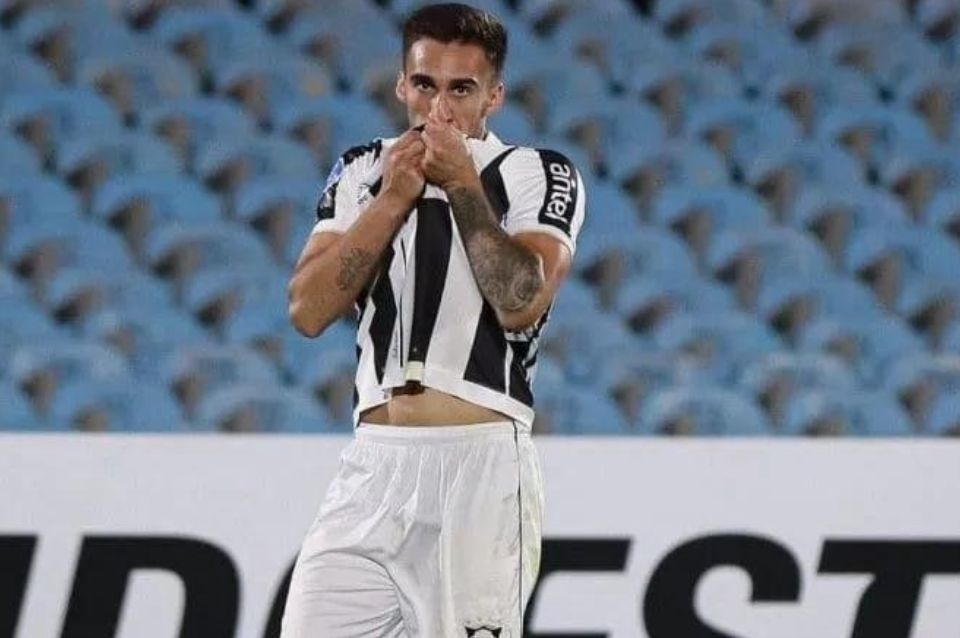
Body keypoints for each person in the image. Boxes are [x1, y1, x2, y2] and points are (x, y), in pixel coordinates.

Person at [282, 3, 586, 636]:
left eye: (461, 90)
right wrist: (394, 197)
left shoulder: (538, 172)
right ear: (401, 85)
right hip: (372, 468)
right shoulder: (364, 169)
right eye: (424, 85)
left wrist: (462, 184)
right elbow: (307, 310)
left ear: (494, 96)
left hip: (479, 469)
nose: (439, 110)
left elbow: (520, 300)